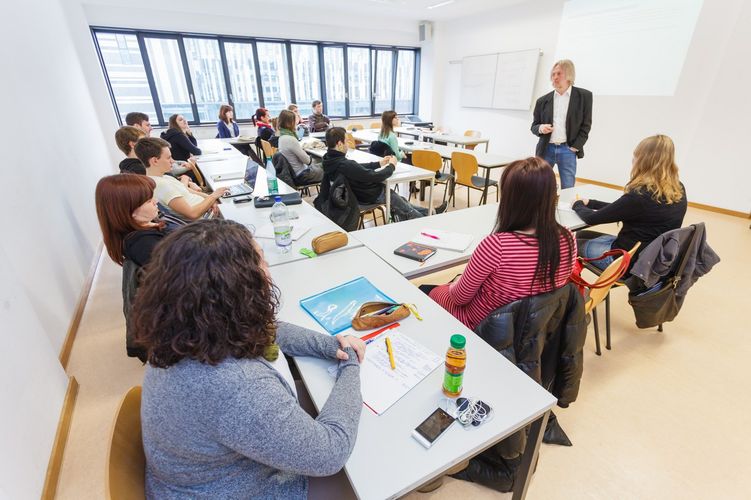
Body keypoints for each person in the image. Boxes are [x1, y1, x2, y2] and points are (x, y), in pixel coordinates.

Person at [133, 219, 364, 498]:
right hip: (237, 489)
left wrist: (329, 345)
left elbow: (265, 328)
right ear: (237, 289)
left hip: (199, 477)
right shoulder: (237, 386)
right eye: (262, 263)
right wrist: (350, 364)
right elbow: (331, 453)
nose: (269, 273)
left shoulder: (181, 332)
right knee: (369, 473)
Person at [423, 157, 576, 331]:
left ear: (510, 198)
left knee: (427, 290)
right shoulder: (568, 238)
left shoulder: (496, 246)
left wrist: (455, 284)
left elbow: (459, 298)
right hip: (532, 326)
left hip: (484, 326)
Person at [572, 134, 687, 269]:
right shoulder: (677, 188)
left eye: (636, 155)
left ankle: (576, 285)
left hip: (627, 259)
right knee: (582, 234)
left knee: (569, 246)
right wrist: (591, 202)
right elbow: (623, 210)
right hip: (652, 256)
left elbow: (591, 218)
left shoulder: (640, 196)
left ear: (644, 160)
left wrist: (577, 205)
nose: (633, 159)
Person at [321, 127, 446, 222]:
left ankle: (431, 212)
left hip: (356, 193)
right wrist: (392, 165)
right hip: (366, 195)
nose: (348, 144)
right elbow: (375, 176)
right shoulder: (344, 164)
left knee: (401, 200)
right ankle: (427, 221)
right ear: (339, 144)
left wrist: (379, 163)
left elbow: (357, 168)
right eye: (347, 141)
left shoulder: (329, 159)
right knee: (399, 203)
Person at [531, 59, 592, 189]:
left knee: (568, 187)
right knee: (540, 186)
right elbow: (534, 126)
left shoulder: (584, 96)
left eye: (559, 74)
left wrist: (575, 147)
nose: (555, 77)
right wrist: (541, 128)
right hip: (546, 149)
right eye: (553, 74)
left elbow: (586, 125)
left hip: (568, 150)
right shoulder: (542, 100)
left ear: (569, 75)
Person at [135, 137, 227, 220]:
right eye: (168, 158)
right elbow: (193, 214)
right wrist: (213, 196)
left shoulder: (165, 177)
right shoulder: (160, 185)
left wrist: (212, 200)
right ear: (155, 161)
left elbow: (189, 191)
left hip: (210, 211)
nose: (173, 161)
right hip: (208, 220)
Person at [95, 174, 168, 268]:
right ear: (128, 211)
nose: (156, 201)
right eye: (149, 201)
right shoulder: (143, 245)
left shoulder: (146, 227)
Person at [277, 109, 324, 185]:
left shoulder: (281, 137)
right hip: (302, 175)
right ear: (290, 123)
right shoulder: (291, 139)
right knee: (330, 167)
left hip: (295, 173)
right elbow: (308, 161)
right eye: (295, 120)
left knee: (322, 163)